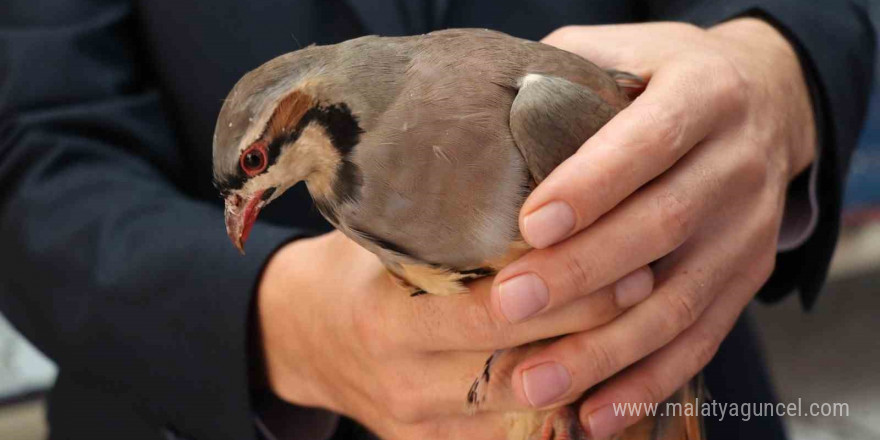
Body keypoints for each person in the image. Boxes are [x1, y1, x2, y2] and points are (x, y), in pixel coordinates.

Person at [0, 1, 873, 439]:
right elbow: (30, 148)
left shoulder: (504, 102)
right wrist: (280, 325)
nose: (251, 201)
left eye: (259, 169)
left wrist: (772, 68)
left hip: (645, 376)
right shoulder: (337, 191)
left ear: (308, 112)